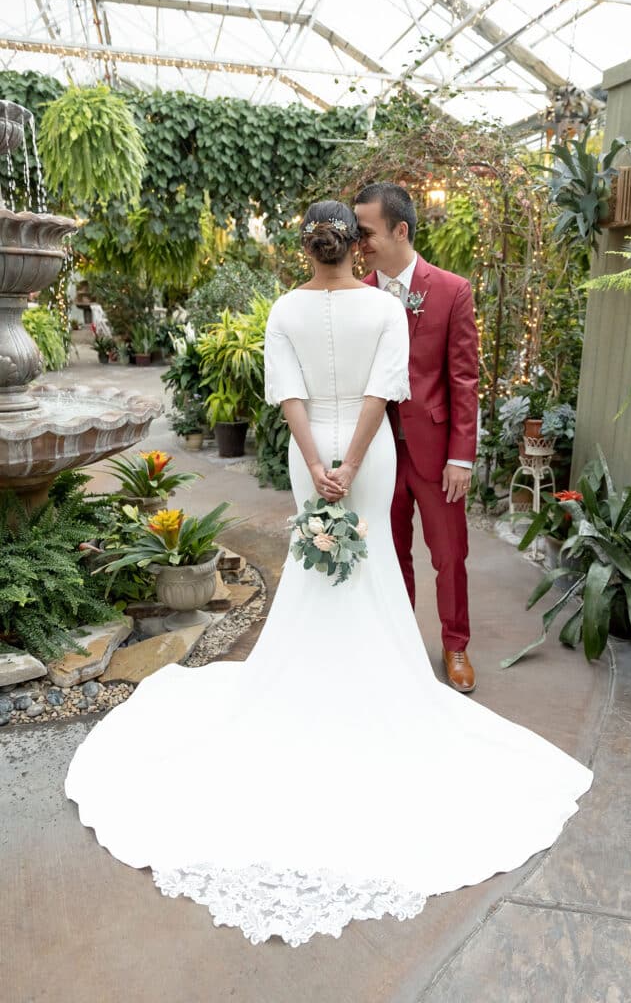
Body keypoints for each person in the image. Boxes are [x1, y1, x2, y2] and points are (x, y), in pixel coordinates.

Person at [64, 200, 592, 948]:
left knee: (318, 567)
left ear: (307, 248)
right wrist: (348, 463)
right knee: (369, 557)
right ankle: (379, 679)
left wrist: (314, 464)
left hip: (310, 451)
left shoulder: (283, 308)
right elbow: (382, 394)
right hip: (367, 455)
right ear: (355, 247)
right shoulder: (382, 309)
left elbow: (288, 397)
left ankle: (308, 678)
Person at [354, 183, 479, 693]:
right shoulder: (356, 293)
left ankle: (456, 646)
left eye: (366, 232)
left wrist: (461, 457)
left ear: (400, 230)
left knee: (449, 554)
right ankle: (403, 642)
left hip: (434, 449)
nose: (358, 242)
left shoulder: (452, 290)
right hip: (379, 448)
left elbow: (464, 380)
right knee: (390, 550)